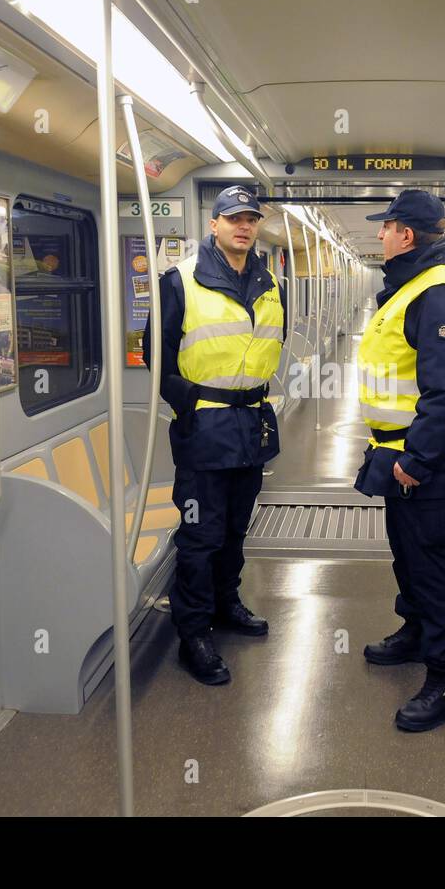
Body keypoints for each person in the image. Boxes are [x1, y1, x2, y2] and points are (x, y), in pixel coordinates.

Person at [354, 188, 445, 732]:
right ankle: (414, 633)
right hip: (398, 455)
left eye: (385, 227)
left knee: (438, 568)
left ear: (406, 234)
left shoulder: (444, 290)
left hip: (425, 462)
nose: (380, 234)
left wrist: (419, 458)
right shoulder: (415, 284)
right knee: (410, 559)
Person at [144, 186, 285, 685]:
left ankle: (227, 605)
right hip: (204, 429)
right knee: (200, 536)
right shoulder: (180, 281)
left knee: (234, 530)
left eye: (251, 219)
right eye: (234, 219)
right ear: (214, 225)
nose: (244, 227)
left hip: (250, 426)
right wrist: (187, 403)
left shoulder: (270, 283)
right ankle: (194, 634)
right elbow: (153, 355)